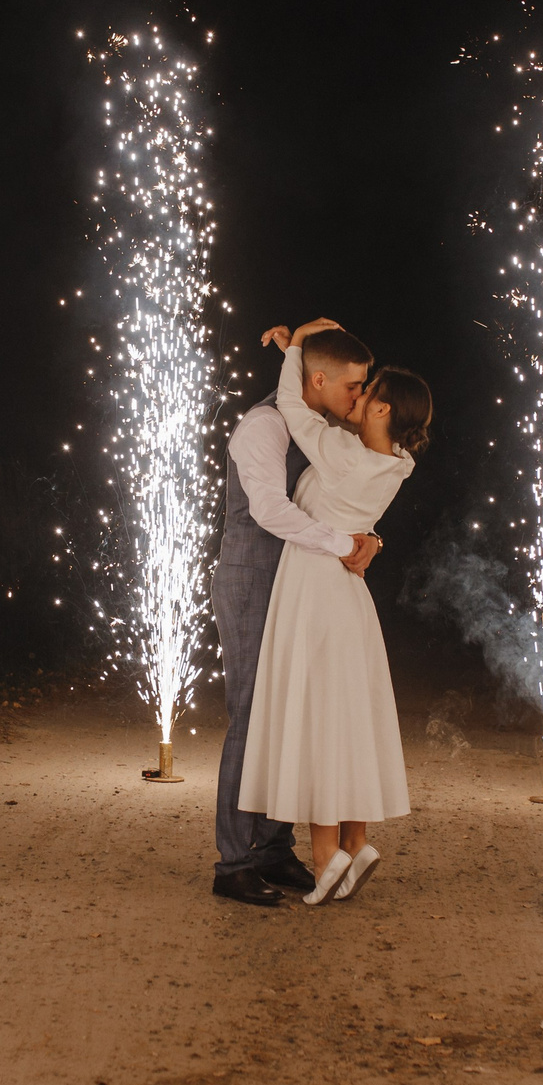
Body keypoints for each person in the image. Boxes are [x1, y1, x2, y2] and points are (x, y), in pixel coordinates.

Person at [236, 318, 434, 904]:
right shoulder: (396, 462)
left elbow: (295, 407)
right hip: (350, 595)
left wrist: (294, 347)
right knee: (347, 713)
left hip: (317, 587)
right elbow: (356, 520)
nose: (358, 394)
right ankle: (356, 839)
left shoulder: (342, 453)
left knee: (320, 714)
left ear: (376, 412)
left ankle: (327, 857)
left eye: (366, 392)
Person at [209, 323, 382, 908]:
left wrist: (368, 537)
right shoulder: (263, 425)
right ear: (319, 379)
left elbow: (337, 500)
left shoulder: (318, 429)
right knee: (254, 714)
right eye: (355, 387)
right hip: (253, 579)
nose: (360, 398)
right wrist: (343, 544)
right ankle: (234, 862)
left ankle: (274, 850)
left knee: (293, 713)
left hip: (295, 586)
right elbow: (271, 510)